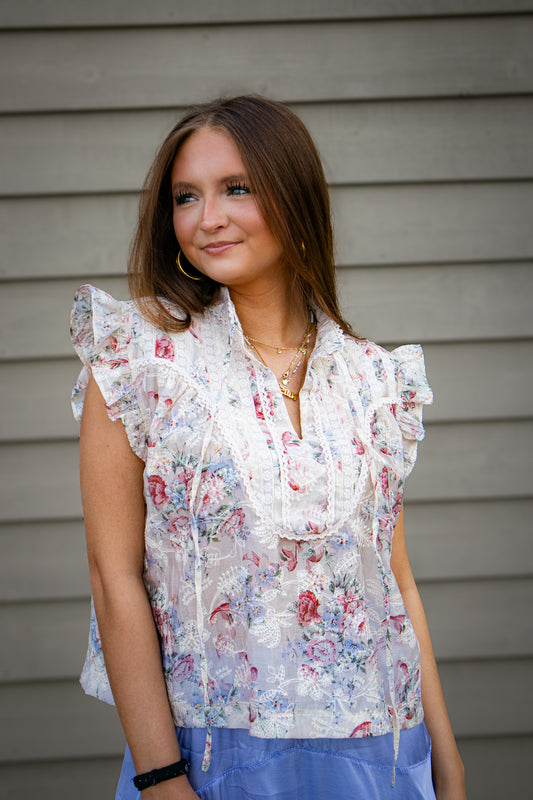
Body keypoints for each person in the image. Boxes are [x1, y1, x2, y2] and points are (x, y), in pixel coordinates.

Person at [70, 95, 466, 799]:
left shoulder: (375, 382)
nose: (206, 218)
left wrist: (446, 760)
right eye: (185, 197)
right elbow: (113, 576)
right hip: (212, 756)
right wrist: (162, 779)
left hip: (381, 752)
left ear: (293, 194)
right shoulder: (140, 364)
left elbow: (395, 584)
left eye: (236, 188)